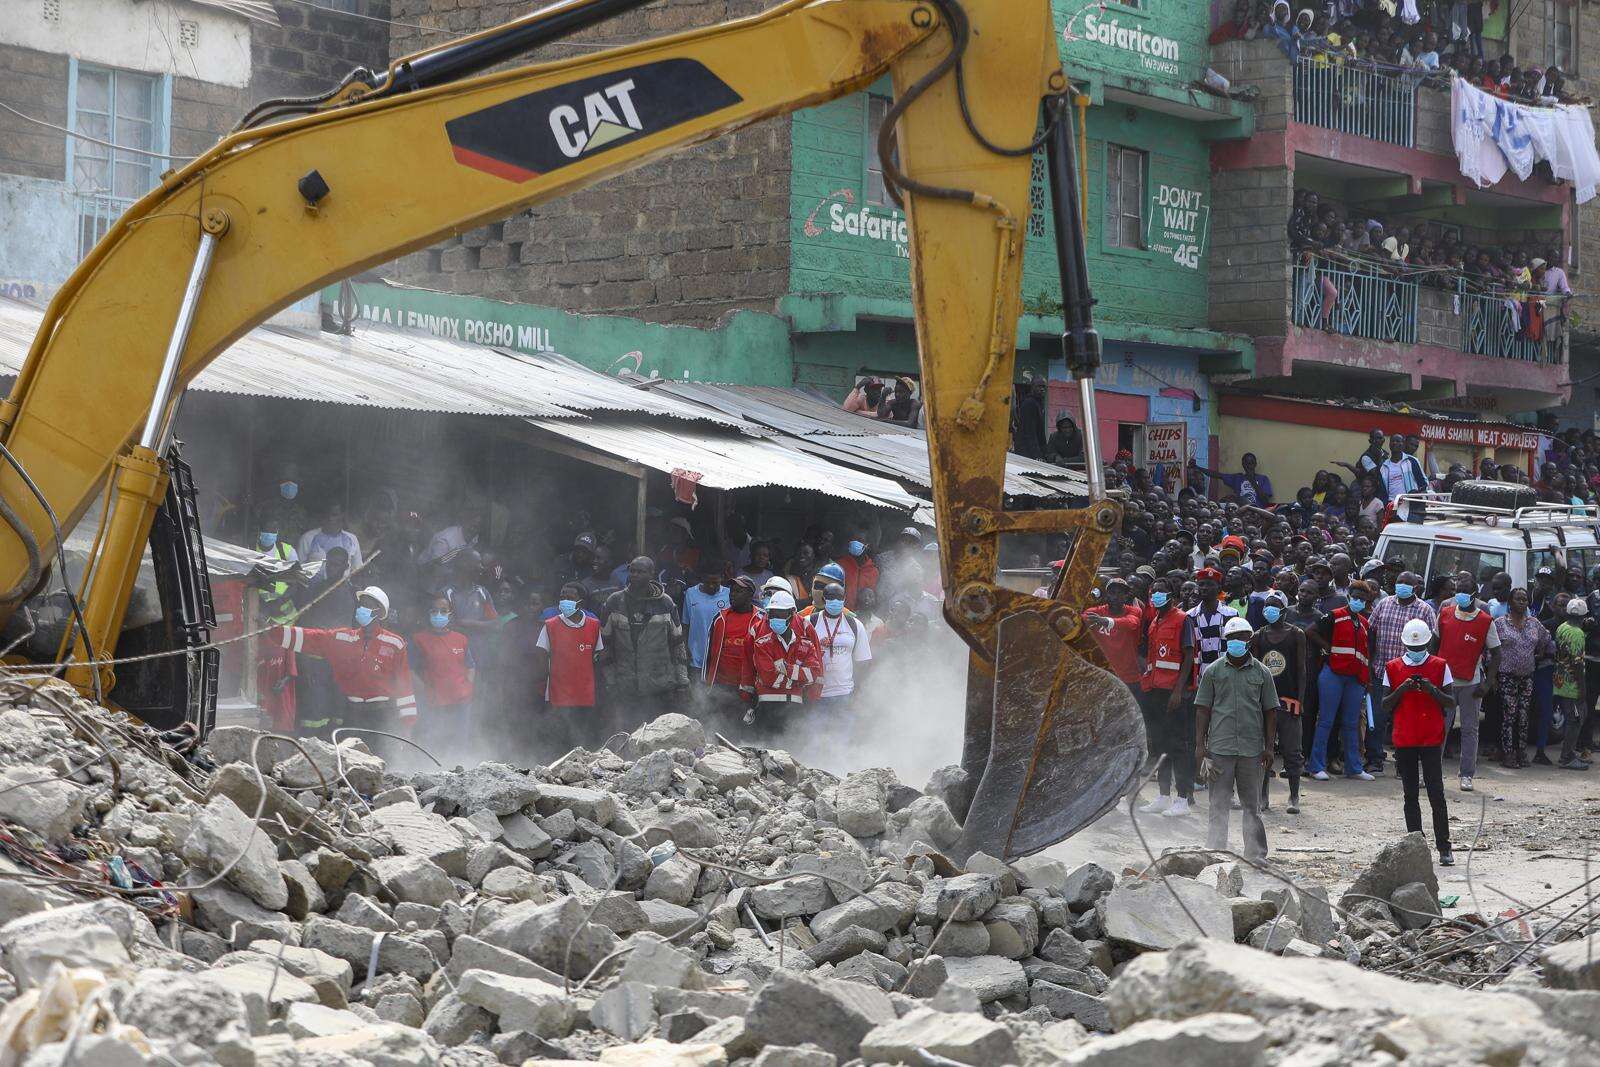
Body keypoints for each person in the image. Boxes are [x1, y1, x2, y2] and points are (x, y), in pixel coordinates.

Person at [271, 586, 416, 753]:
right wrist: (274, 632)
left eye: (366, 605)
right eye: (360, 604)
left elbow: (405, 689)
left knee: (382, 761)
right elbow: (312, 639)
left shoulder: (395, 644)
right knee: (352, 762)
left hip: (381, 716)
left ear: (379, 611)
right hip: (352, 715)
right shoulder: (344, 638)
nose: (360, 608)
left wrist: (407, 726)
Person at [1194, 617, 1277, 862]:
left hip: (1252, 750)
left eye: (1241, 637)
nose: (1236, 642)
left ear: (1249, 639)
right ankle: (1216, 851)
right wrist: (1200, 745)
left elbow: (1271, 710)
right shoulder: (1214, 671)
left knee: (1252, 805)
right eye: (1231, 638)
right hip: (1220, 747)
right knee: (1218, 802)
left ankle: (1256, 855)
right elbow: (1203, 709)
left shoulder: (1262, 672)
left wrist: (1270, 747)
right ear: (1226, 640)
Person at [1382, 619, 1457, 866]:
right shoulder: (1392, 668)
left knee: (1437, 793)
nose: (1416, 651)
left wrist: (1431, 689)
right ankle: (1416, 845)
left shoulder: (1440, 665)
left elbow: (1450, 701)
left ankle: (1444, 847)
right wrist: (1402, 689)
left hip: (1431, 738)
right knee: (1410, 794)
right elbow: (1384, 704)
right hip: (1405, 738)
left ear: (1428, 643)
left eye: (1421, 646)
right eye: (1412, 646)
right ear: (1403, 644)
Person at [599, 556, 690, 730]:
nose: (634, 575)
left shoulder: (665, 603)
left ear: (651, 574)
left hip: (660, 687)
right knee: (627, 734)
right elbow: (604, 645)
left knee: (659, 736)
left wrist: (683, 681)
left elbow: (678, 645)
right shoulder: (614, 602)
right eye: (632, 570)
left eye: (640, 571)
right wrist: (610, 681)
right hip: (625, 686)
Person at [1367, 571, 1438, 775]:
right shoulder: (1384, 604)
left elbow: (1430, 642)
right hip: (1381, 670)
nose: (1402, 586)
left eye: (1407, 583)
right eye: (1399, 582)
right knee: (1378, 717)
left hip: (1408, 675)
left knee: (1404, 721)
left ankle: (1403, 763)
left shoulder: (1424, 610)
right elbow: (1371, 633)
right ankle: (1375, 759)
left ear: (1415, 587)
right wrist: (1370, 664)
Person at [1138, 577, 1197, 817]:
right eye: (1154, 592)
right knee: (1160, 744)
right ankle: (1163, 796)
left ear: (1171, 594)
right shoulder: (1154, 621)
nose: (1156, 596)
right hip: (1155, 691)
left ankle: (1182, 798)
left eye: (1161, 592)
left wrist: (1178, 691)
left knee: (1178, 746)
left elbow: (1189, 655)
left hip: (1174, 693)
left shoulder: (1183, 619)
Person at [1308, 580, 1376, 781]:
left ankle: (1354, 768)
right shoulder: (1334, 616)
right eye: (1355, 598)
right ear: (1349, 597)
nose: (1358, 601)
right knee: (1326, 721)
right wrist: (1327, 648)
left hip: (1355, 678)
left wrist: (1368, 679)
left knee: (1351, 722)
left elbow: (1367, 653)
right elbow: (1310, 631)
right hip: (1333, 674)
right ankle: (1316, 765)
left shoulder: (1365, 622)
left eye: (1362, 599)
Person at [1436, 582, 1500, 792]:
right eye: (1458, 592)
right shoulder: (1444, 614)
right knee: (1439, 728)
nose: (1460, 596)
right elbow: (1434, 645)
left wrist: (1488, 682)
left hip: (1471, 683)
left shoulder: (1484, 620)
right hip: (1445, 682)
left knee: (1469, 730)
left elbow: (1496, 653)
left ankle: (1466, 775)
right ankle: (1432, 772)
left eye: (1465, 592)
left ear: (1475, 595)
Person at [1252, 590, 1307, 814]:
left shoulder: (1296, 635)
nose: (1270, 611)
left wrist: (1301, 701)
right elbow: (1255, 671)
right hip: (1265, 704)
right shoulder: (1258, 636)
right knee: (1265, 751)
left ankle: (1294, 796)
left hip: (1289, 701)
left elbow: (1302, 670)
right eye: (1267, 606)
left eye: (1275, 606)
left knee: (1292, 751)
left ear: (1284, 610)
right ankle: (1263, 796)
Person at [535, 584, 603, 751]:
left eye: (570, 598)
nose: (564, 601)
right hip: (558, 693)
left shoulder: (594, 625)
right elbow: (541, 656)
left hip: (585, 694)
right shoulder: (550, 625)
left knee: (582, 737)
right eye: (562, 597)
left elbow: (599, 656)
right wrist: (544, 683)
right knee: (559, 736)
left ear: (580, 602)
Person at [742, 590, 823, 726]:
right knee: (765, 746)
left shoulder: (806, 645)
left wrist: (786, 668)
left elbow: (814, 674)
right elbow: (769, 678)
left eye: (779, 613)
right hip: (767, 707)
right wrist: (798, 680)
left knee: (793, 746)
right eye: (772, 614)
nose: (774, 618)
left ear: (791, 614)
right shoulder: (762, 644)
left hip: (795, 709)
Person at [1495, 587, 1554, 769]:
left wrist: (1541, 653)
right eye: (1518, 599)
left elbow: (1547, 640)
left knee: (1523, 716)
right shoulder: (1500, 623)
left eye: (1525, 599)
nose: (1522, 602)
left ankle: (1521, 752)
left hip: (1527, 676)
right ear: (1510, 602)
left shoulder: (1534, 623)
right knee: (1509, 715)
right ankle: (1508, 753)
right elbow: (1491, 650)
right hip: (1506, 676)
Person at [409, 596, 476, 751]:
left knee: (459, 743)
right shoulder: (419, 639)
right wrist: (424, 690)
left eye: (443, 611)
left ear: (450, 614)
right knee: (433, 740)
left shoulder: (461, 639)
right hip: (433, 702)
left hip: (460, 703)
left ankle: (460, 770)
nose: (439, 614)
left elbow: (471, 666)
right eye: (435, 610)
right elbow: (411, 669)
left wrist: (467, 687)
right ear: (429, 613)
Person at [704, 577, 761, 721]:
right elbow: (709, 653)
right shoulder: (720, 617)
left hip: (748, 687)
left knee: (744, 729)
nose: (732, 594)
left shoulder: (761, 619)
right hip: (721, 686)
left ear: (750, 594)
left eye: (738, 591)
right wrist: (706, 684)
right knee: (720, 726)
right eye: (731, 591)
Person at [814, 582, 872, 711]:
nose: (835, 601)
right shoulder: (809, 623)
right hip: (817, 694)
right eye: (831, 597)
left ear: (844, 599)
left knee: (843, 731)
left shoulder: (855, 625)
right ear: (823, 599)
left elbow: (863, 662)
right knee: (816, 730)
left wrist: (857, 692)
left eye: (839, 598)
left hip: (845, 693)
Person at [1554, 598, 1592, 771]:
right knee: (1575, 719)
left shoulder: (1562, 627)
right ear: (1585, 616)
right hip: (1572, 686)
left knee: (1573, 718)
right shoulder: (1577, 634)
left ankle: (1569, 754)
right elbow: (1577, 664)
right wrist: (1582, 689)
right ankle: (1567, 757)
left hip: (1560, 681)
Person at [681, 560, 731, 676]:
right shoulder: (691, 593)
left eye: (715, 582)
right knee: (697, 692)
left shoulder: (729, 594)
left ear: (722, 578)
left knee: (719, 693)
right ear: (702, 579)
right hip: (696, 656)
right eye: (708, 582)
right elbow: (685, 624)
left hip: (720, 657)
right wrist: (685, 649)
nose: (711, 586)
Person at [297, 501, 364, 568]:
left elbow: (357, 570)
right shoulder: (307, 538)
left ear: (342, 515)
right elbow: (297, 571)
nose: (330, 518)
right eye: (327, 514)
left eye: (334, 515)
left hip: (344, 579)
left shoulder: (352, 539)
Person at [1191, 454, 1274, 506]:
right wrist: (1198, 468)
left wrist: (1252, 480)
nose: (1249, 466)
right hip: (1241, 512)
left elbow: (1265, 501)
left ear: (1255, 464)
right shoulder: (1238, 478)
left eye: (1251, 463)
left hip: (1258, 512)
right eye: (1246, 463)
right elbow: (1217, 475)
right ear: (1243, 465)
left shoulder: (1263, 479)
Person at [835, 532, 880, 609]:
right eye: (853, 540)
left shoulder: (873, 572)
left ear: (867, 545)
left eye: (860, 540)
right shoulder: (839, 566)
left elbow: (872, 597)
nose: (855, 543)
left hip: (862, 616)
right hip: (841, 613)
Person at [1014, 382, 1048, 459]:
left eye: (1043, 387)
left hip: (1029, 449)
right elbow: (1030, 431)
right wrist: (1037, 454)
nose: (1042, 389)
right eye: (1039, 386)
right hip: (1026, 449)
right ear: (1032, 388)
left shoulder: (1037, 403)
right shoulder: (1030, 403)